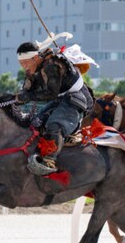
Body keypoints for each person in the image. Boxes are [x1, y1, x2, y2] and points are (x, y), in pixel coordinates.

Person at [16, 40, 94, 173]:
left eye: (25, 63)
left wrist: (27, 97)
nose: (24, 67)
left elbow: (50, 93)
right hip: (60, 100)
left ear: (35, 58)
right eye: (21, 64)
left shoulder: (52, 65)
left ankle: (49, 161)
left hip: (76, 99)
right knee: (35, 123)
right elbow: (27, 90)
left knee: (54, 125)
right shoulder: (33, 69)